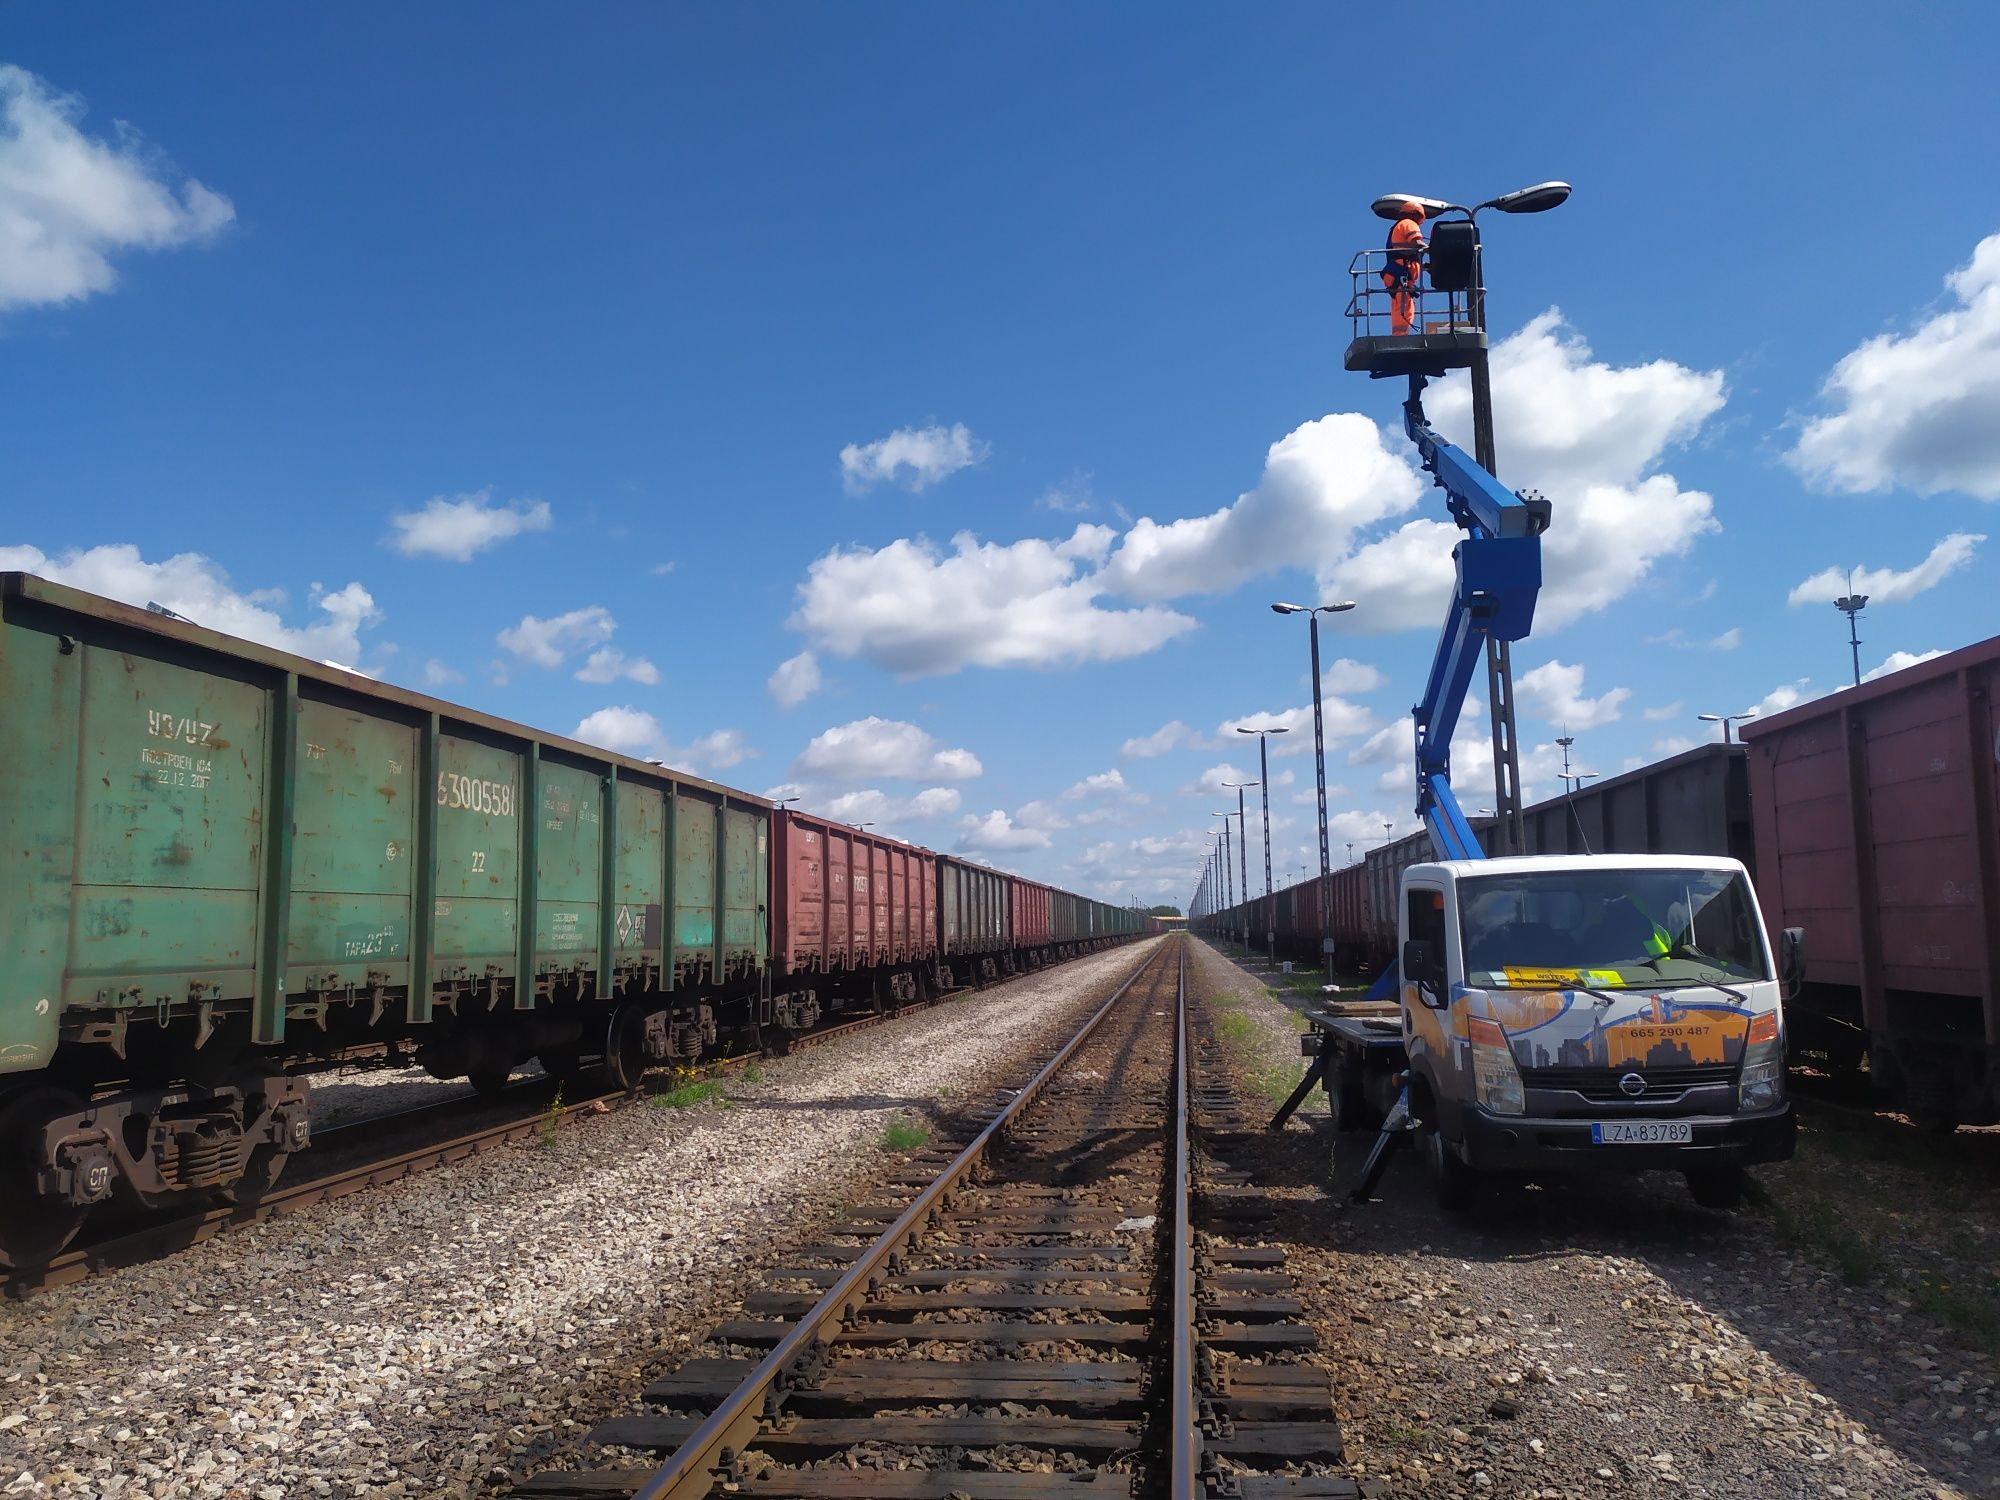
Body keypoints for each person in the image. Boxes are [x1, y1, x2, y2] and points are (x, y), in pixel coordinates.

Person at [1381, 200, 1427, 336]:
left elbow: (1405, 252)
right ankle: (1400, 337)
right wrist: (1435, 250)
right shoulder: (1408, 223)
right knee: (1404, 307)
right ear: (1415, 214)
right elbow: (1416, 243)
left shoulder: (1398, 226)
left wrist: (1423, 266)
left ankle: (1399, 335)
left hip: (1396, 272)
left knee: (1400, 306)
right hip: (1400, 273)